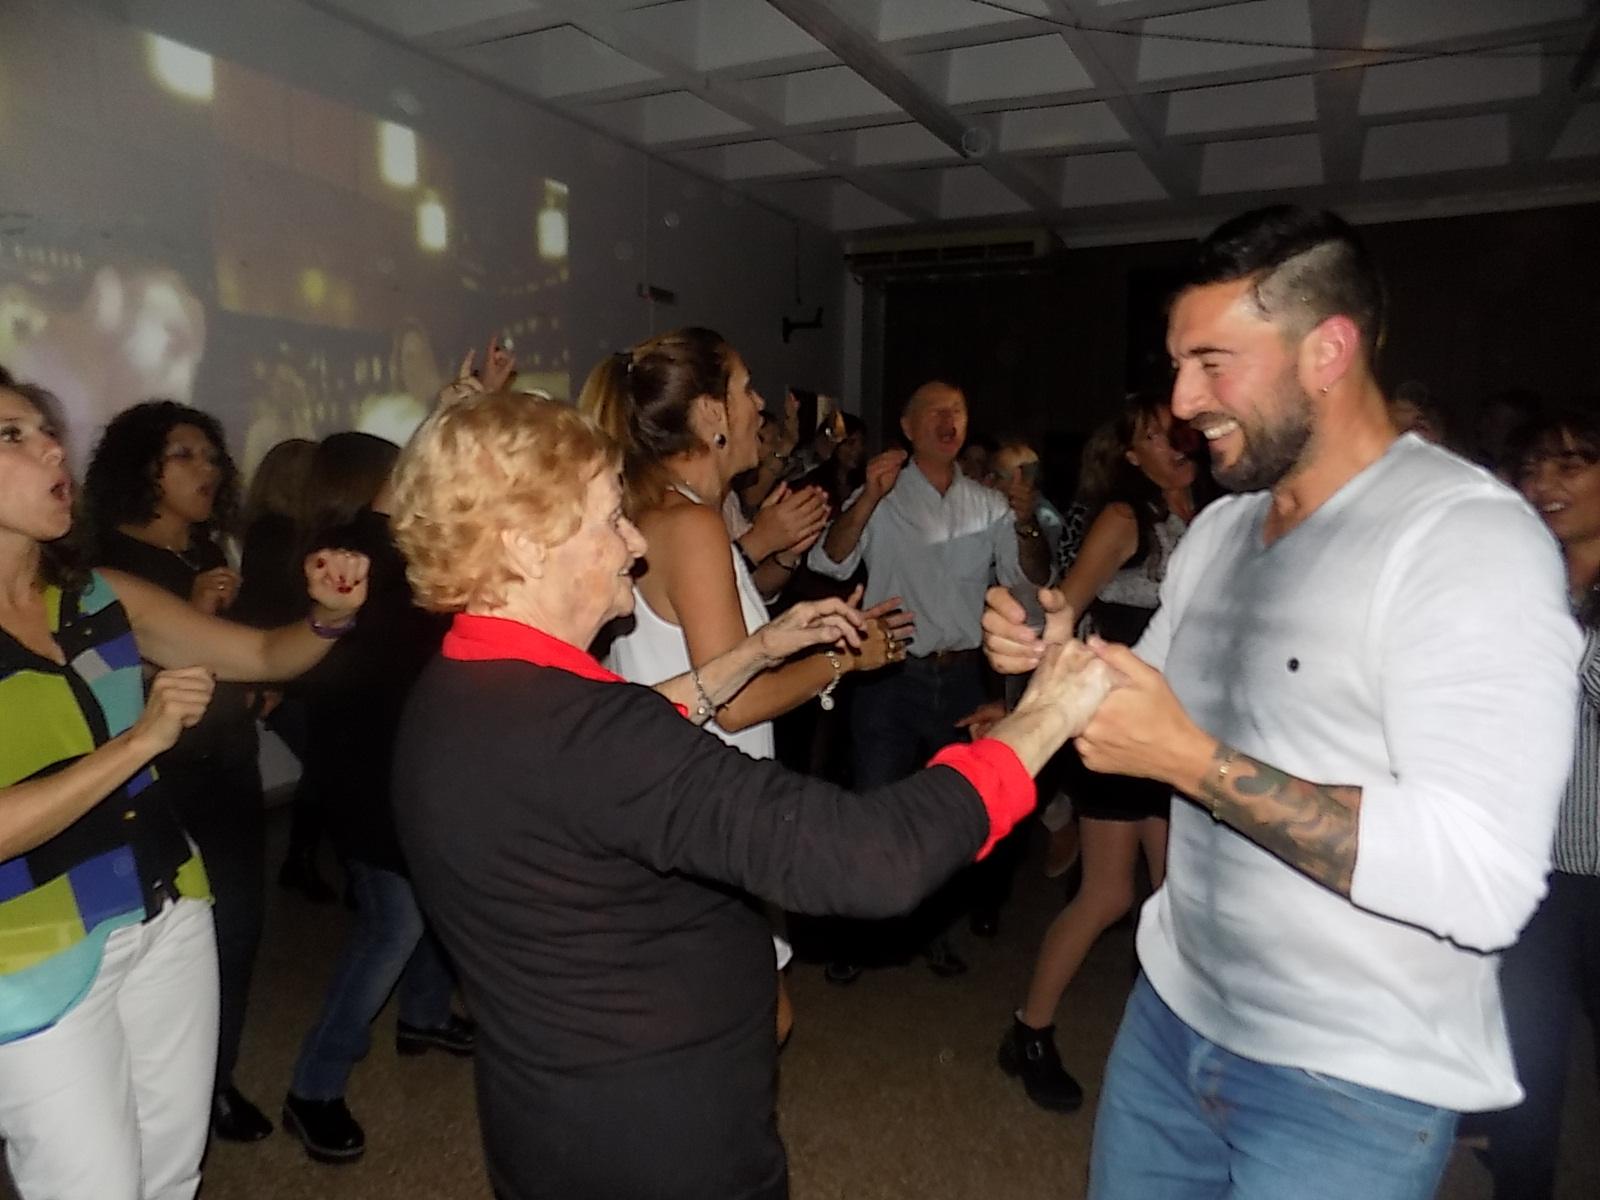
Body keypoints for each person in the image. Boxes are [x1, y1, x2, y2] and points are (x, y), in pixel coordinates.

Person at [982, 205, 1581, 1200]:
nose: (1183, 402)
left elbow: (1482, 877)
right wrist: (1057, 656)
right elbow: (1143, 701)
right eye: (1178, 365)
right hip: (1170, 1017)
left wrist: (1194, 763)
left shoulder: (1466, 542)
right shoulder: (1221, 532)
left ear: (1327, 351)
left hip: (1349, 1081)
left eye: (1212, 363)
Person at [386, 387, 1114, 1200]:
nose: (635, 543)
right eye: (611, 519)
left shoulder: (458, 690)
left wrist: (756, 651)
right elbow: (872, 860)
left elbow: (593, 751)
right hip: (660, 1147)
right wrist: (1045, 717)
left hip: (546, 1117)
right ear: (525, 547)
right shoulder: (594, 740)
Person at [0, 367, 366, 1199]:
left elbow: (262, 654)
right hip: (29, 953)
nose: (51, 448)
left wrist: (331, 614)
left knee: (171, 1169)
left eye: (46, 431)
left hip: (166, 910)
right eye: (10, 436)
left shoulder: (95, 594)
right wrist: (142, 741)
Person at [579, 329, 909, 1043]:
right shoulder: (692, 524)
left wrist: (816, 628)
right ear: (711, 415)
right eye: (746, 388)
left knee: (731, 1018)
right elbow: (734, 702)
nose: (760, 405)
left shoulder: (663, 513)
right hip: (701, 806)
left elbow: (712, 644)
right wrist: (846, 662)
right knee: (751, 1020)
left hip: (676, 798)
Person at [993, 395, 1206, 1113]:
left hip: (1180, 731)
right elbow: (1068, 608)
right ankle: (1030, 1031)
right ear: (1132, 456)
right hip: (1117, 726)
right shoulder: (1124, 517)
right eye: (1154, 436)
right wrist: (1030, 708)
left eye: (1177, 431)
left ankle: (1170, 1049)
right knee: (1110, 892)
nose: (1173, 443)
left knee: (1178, 896)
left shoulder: (1215, 516)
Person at [808, 379, 1052, 979]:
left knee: (954, 813)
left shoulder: (988, 503)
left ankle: (933, 932)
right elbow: (829, 560)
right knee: (874, 808)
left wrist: (1026, 524)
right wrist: (866, 498)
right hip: (890, 672)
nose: (950, 421)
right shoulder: (885, 491)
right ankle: (854, 937)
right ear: (908, 426)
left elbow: (1029, 584)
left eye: (959, 411)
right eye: (936, 412)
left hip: (962, 675)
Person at [82, 401, 272, 1143]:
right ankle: (145, 1098)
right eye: (184, 455)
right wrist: (193, 615)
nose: (207, 469)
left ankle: (213, 1084)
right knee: (152, 947)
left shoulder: (206, 549)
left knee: (236, 932)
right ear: (142, 471)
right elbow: (105, 685)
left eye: (211, 455)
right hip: (155, 780)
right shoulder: (108, 564)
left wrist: (257, 678)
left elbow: (240, 651)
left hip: (228, 766)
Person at [281, 431, 471, 1166]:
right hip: (368, 767)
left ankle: (423, 1015)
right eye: (399, 474)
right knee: (393, 922)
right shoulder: (347, 554)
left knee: (430, 892)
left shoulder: (393, 554)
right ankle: (313, 1087)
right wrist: (443, 421)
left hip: (406, 757)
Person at [1475, 404, 1600, 1199]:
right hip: (1531, 868)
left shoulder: (1541, 598)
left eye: (1571, 464)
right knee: (1525, 1065)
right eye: (1531, 468)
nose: (1544, 483)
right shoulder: (1520, 577)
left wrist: (1557, 623)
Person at [233, 437, 333, 903]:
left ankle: (303, 858)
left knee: (321, 764)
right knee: (324, 764)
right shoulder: (283, 535)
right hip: (288, 674)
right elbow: (282, 607)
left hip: (283, 672)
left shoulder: (265, 532)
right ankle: (302, 860)